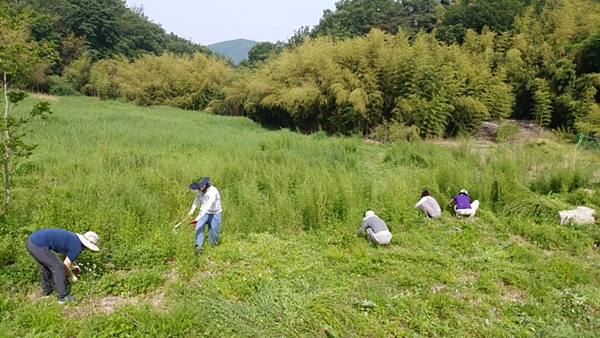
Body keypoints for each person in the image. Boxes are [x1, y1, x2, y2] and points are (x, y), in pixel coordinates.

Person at [25, 228, 100, 303]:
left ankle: (47, 293)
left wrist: (75, 266)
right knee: (58, 267)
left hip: (31, 241)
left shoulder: (74, 239)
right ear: (87, 246)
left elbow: (66, 257)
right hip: (38, 245)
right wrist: (73, 277)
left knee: (48, 266)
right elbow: (65, 266)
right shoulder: (77, 247)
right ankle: (63, 297)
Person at [189, 175, 222, 254]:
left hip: (215, 212)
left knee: (213, 231)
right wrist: (192, 211)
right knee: (198, 227)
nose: (198, 189)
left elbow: (208, 206)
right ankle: (198, 248)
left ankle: (213, 247)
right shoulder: (199, 190)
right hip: (203, 212)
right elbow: (197, 199)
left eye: (199, 187)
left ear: (204, 184)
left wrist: (197, 218)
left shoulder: (213, 192)